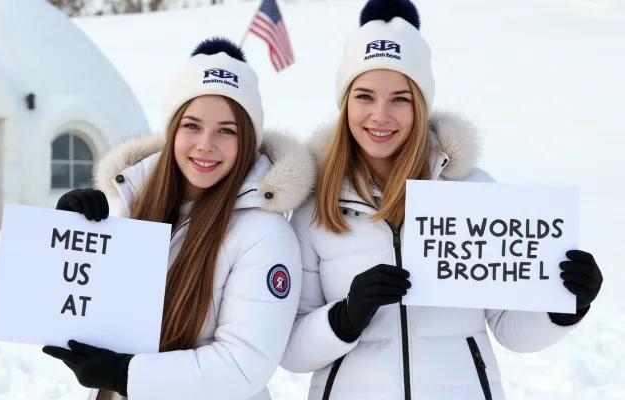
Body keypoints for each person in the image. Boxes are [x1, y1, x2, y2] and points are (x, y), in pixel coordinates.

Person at [279, 1, 604, 399]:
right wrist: (345, 317)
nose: (380, 114)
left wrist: (565, 304)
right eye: (364, 96)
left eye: (400, 99)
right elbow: (291, 351)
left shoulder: (472, 192)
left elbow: (510, 328)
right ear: (345, 102)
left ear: (421, 105)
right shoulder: (315, 207)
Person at [42, 37, 316, 400]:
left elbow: (243, 366)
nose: (206, 143)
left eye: (226, 130)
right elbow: (77, 319)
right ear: (172, 131)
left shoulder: (265, 234)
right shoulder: (131, 209)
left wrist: (125, 374)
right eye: (192, 125)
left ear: (247, 139)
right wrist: (71, 238)